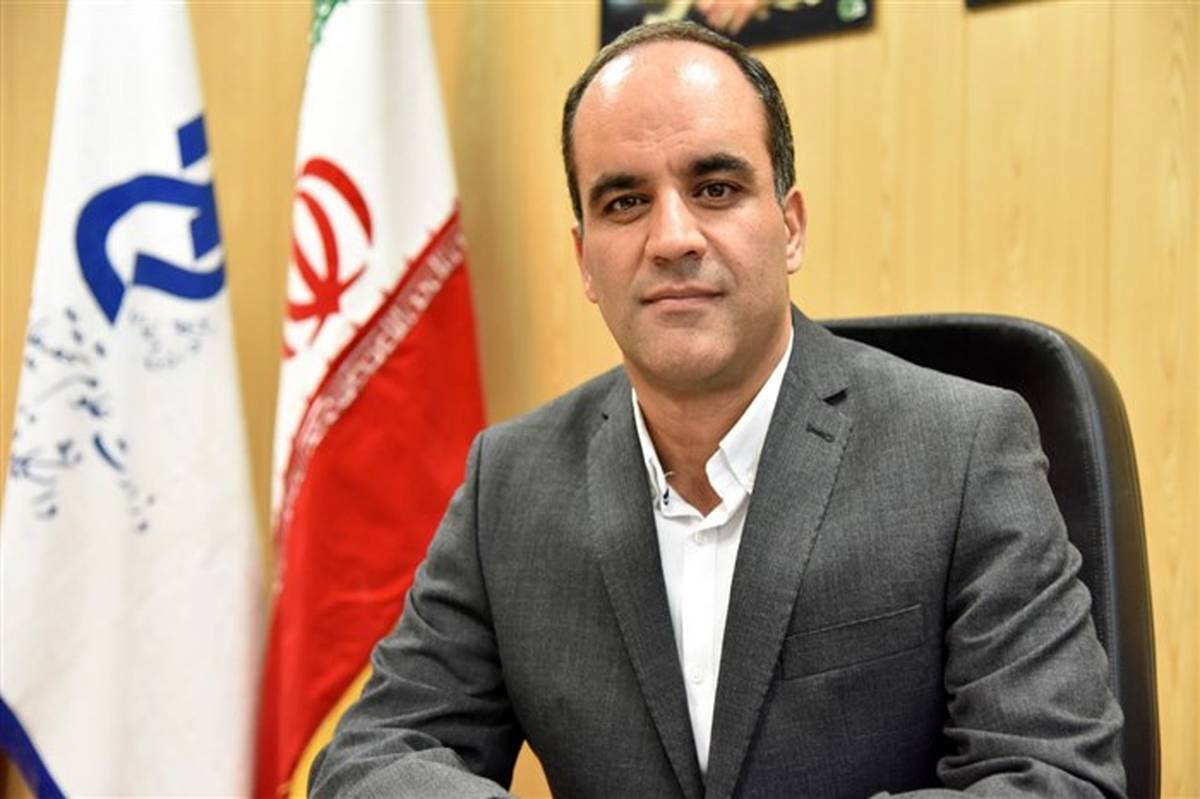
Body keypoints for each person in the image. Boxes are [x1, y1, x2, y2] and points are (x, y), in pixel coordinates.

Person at [310, 21, 1125, 799]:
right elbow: (372, 758)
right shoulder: (510, 486)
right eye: (625, 202)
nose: (672, 237)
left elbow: (1056, 776)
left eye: (715, 188)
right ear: (585, 259)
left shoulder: (963, 450)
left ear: (790, 227)